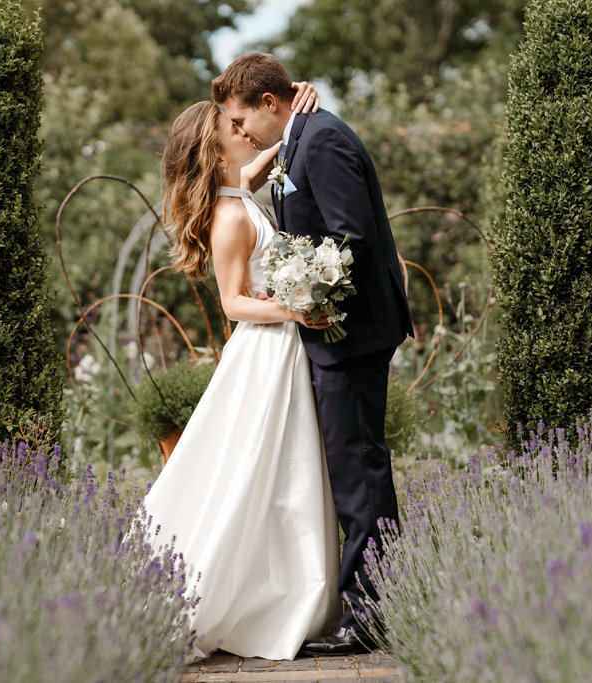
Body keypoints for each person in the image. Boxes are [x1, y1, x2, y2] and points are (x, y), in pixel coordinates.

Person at [212, 53, 413, 656]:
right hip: (333, 336)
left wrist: (298, 296)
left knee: (360, 475)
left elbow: (351, 238)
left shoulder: (320, 141)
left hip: (349, 335)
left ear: (271, 105)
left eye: (244, 120)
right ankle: (371, 604)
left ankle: (371, 616)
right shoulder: (300, 136)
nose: (242, 134)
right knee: (353, 474)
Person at [142, 84, 341, 662]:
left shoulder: (241, 189)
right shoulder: (228, 217)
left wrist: (302, 94)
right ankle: (258, 597)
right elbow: (232, 302)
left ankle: (287, 589)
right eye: (233, 127)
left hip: (280, 347)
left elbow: (269, 150)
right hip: (265, 349)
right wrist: (294, 308)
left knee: (280, 469)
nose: (244, 128)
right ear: (215, 150)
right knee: (260, 470)